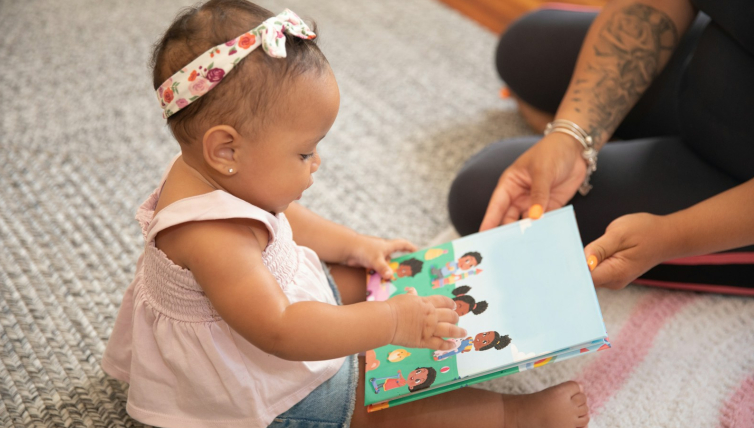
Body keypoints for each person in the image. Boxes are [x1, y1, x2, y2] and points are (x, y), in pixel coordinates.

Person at [101, 1, 590, 427]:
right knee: (365, 404)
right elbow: (282, 330)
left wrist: (359, 246)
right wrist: (390, 323)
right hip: (255, 379)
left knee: (370, 275)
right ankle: (516, 417)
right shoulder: (212, 237)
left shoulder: (217, 170)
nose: (317, 163)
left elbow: (284, 221)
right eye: (303, 153)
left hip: (265, 309)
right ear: (225, 148)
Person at [449, 0, 754, 293]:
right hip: (718, 57)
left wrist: (672, 235)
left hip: (738, 184)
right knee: (524, 49)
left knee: (480, 197)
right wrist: (572, 134)